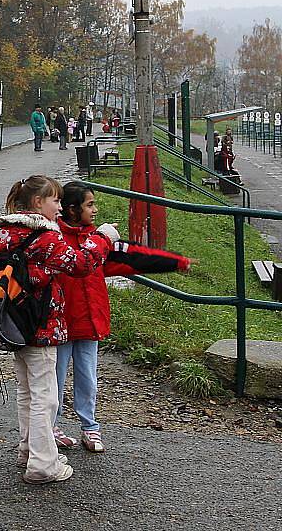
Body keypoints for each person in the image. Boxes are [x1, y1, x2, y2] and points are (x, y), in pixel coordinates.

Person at [0, 175, 118, 484]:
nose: (59, 207)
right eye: (55, 201)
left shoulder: (6, 232)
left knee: (27, 393)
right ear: (38, 203)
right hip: (43, 325)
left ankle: (29, 450)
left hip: (17, 324)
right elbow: (81, 263)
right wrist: (104, 237)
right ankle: (44, 465)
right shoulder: (45, 236)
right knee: (45, 397)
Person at [52, 182, 192, 452]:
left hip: (90, 321)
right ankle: (52, 426)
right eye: (90, 205)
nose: (95, 210)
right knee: (54, 379)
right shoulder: (57, 240)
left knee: (88, 378)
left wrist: (175, 262)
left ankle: (89, 427)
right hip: (62, 323)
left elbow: (135, 257)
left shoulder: (97, 241)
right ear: (71, 209)